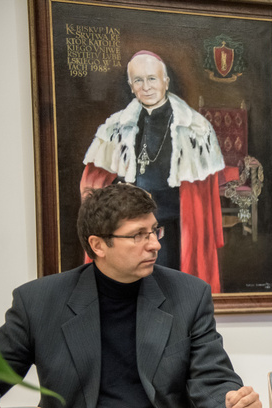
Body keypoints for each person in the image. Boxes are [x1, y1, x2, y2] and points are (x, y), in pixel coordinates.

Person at [0, 184, 262, 408]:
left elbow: (213, 377)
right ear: (98, 245)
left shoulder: (188, 295)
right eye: (138, 235)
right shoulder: (38, 302)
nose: (154, 244)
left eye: (154, 231)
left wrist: (234, 407)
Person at [81, 50, 226, 292]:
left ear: (165, 81)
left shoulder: (195, 128)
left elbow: (202, 195)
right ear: (131, 86)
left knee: (171, 293)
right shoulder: (115, 127)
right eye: (138, 80)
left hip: (174, 229)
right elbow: (94, 182)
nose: (146, 87)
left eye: (152, 79)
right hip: (126, 232)